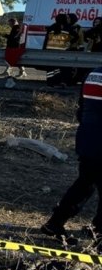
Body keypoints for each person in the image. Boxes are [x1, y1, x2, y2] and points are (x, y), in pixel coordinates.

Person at [41, 66, 102, 244]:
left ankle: (55, 222)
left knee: (85, 183)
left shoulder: (94, 74)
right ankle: (99, 238)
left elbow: (81, 109)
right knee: (86, 184)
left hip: (87, 138)